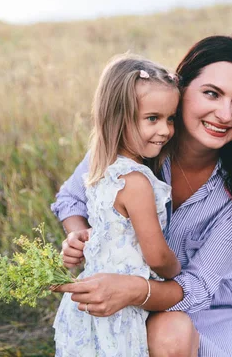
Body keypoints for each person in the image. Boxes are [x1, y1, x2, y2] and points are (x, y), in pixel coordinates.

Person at [52, 36, 232, 356]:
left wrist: (136, 290)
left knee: (170, 334)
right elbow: (72, 197)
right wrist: (79, 233)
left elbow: (196, 288)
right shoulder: (133, 143)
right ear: (182, 88)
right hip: (117, 289)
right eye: (212, 93)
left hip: (200, 308)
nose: (225, 113)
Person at [52, 54, 183, 356]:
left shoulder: (102, 170)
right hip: (121, 303)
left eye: (170, 118)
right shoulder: (135, 181)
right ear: (117, 118)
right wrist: (175, 267)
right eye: (153, 119)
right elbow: (156, 255)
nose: (165, 130)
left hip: (94, 292)